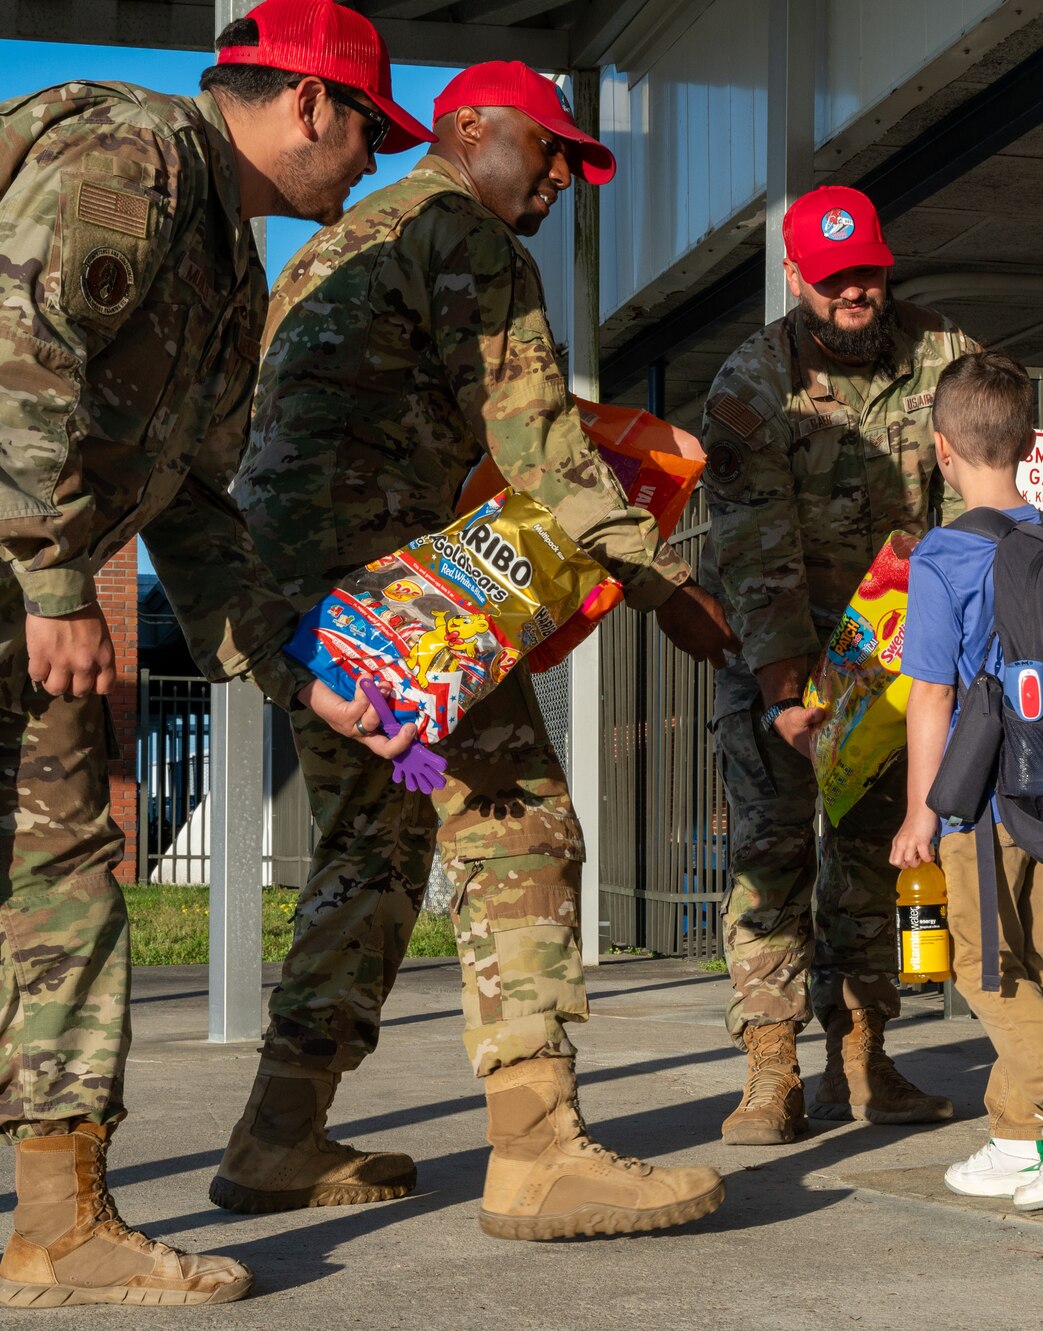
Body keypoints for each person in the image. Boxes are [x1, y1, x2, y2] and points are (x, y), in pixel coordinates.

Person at [216, 60, 735, 1242]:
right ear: (467, 130)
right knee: (519, 829)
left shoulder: (332, 243)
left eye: (572, 161)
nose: (560, 178)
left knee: (376, 846)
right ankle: (540, 1149)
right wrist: (662, 585)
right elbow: (542, 445)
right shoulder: (466, 234)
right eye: (547, 149)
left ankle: (277, 1135)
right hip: (399, 605)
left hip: (309, 612)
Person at [0, 0, 430, 1306]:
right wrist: (58, 574)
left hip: (33, 580)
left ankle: (60, 1222)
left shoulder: (231, 268)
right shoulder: (134, 157)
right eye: (367, 131)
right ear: (308, 103)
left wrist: (305, 674)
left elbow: (193, 503)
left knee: (64, 871)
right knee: (59, 872)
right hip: (31, 570)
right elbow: (17, 349)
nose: (372, 161)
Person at [701, 185, 972, 1144]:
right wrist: (783, 687)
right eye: (833, 280)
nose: (855, 292)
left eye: (867, 271)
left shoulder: (944, 354)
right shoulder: (751, 380)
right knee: (771, 855)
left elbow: (979, 483)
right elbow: (751, 546)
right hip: (781, 650)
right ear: (795, 278)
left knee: (869, 854)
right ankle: (769, 1069)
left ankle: (862, 1055)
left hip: (894, 659)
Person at [889, 350, 1043, 1209]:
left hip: (984, 791)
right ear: (1031, 447)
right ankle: (1017, 1131)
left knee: (978, 964)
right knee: (1024, 957)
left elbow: (932, 693)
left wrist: (924, 809)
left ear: (941, 448)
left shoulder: (943, 554)